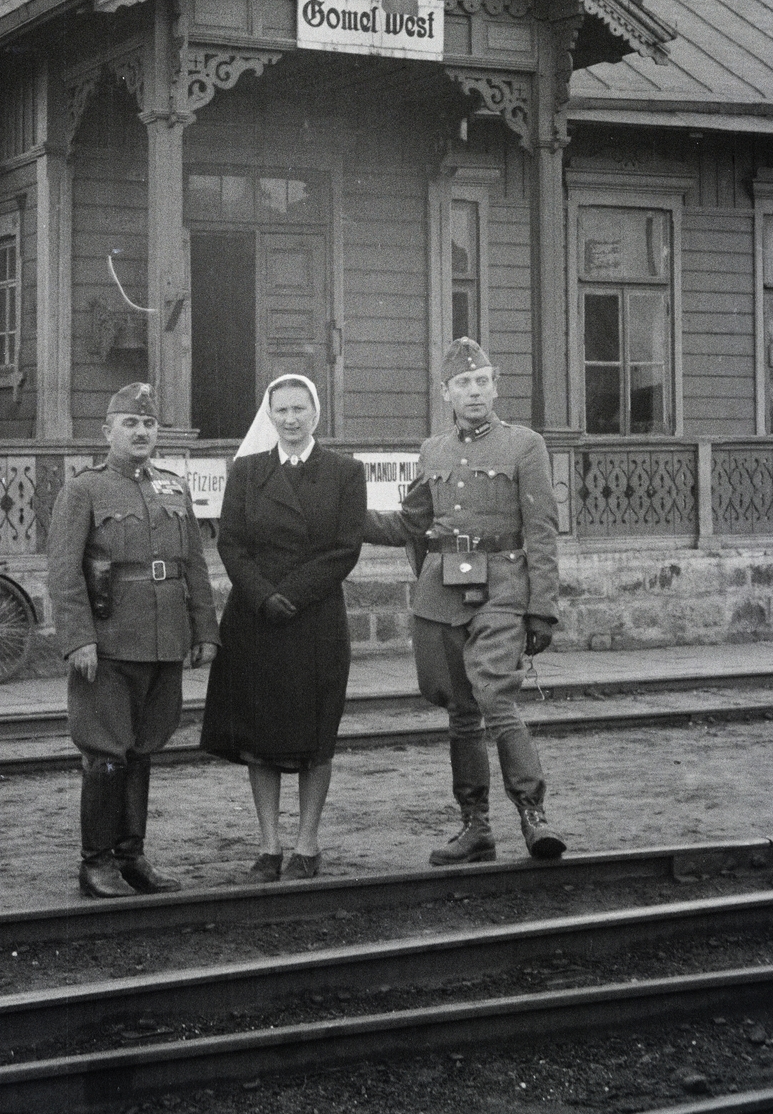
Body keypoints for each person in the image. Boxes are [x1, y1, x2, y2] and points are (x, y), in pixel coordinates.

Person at [364, 337, 566, 863]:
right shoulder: (433, 450)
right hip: (441, 595)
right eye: (462, 384)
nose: (473, 392)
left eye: (482, 382)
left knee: (496, 696)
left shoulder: (525, 445)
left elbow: (542, 530)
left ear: (495, 386)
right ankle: (475, 827)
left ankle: (533, 814)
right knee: (460, 711)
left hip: (501, 589)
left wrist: (542, 608)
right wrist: (343, 516)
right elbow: (411, 523)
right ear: (446, 393)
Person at [47, 383, 219, 898]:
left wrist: (204, 629)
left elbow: (193, 564)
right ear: (107, 432)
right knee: (105, 751)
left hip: (164, 640)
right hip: (109, 642)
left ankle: (131, 856)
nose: (141, 432)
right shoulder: (84, 490)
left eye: (148, 424)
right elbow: (63, 572)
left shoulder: (172, 488)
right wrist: (79, 639)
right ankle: (96, 862)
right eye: (130, 423)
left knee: (143, 749)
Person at [200, 374, 366, 881]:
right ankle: (270, 846)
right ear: (269, 417)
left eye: (300, 410)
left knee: (315, 734)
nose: (291, 420)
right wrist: (262, 595)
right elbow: (231, 544)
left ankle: (307, 845)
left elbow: (344, 548)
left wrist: (291, 595)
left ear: (316, 413)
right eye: (282, 411)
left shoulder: (344, 471)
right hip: (256, 619)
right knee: (261, 733)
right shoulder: (248, 472)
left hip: (313, 619)